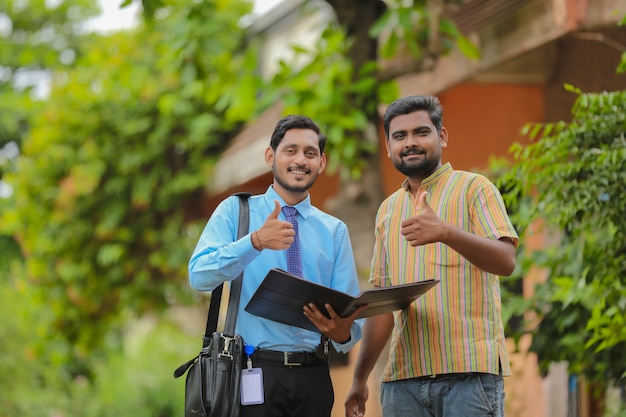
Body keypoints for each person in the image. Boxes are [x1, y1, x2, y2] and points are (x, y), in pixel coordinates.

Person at [345, 95, 518, 417]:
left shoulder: (474, 188)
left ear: (442, 136)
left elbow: (506, 261)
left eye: (421, 132)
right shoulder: (387, 210)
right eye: (400, 136)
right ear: (387, 146)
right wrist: (360, 377)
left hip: (469, 377)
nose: (410, 143)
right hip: (402, 383)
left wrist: (446, 232)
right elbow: (382, 303)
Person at [189, 114, 365, 417]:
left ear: (322, 162)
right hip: (252, 371)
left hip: (314, 376)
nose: (300, 160)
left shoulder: (334, 231)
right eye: (291, 150)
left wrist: (342, 332)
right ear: (271, 156)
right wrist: (254, 241)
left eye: (310, 153)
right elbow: (199, 275)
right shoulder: (237, 211)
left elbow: (351, 316)